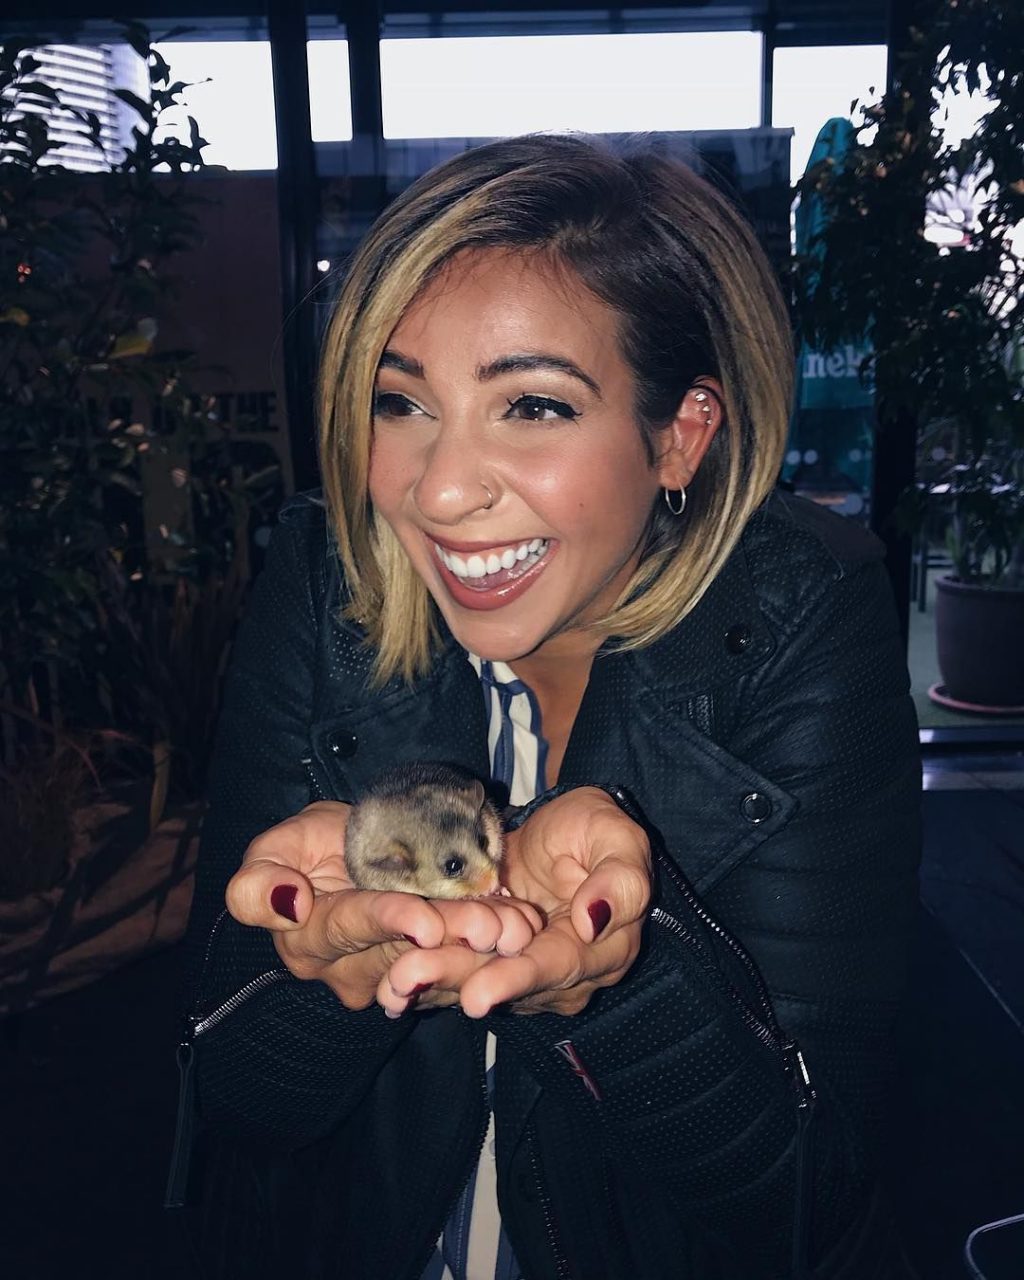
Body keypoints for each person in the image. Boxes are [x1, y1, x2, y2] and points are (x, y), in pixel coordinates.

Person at [170, 134, 921, 1280]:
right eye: (400, 400)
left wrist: (622, 986)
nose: (437, 488)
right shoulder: (330, 582)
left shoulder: (801, 617)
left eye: (529, 404)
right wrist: (324, 979)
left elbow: (804, 1201)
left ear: (679, 435)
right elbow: (230, 1108)